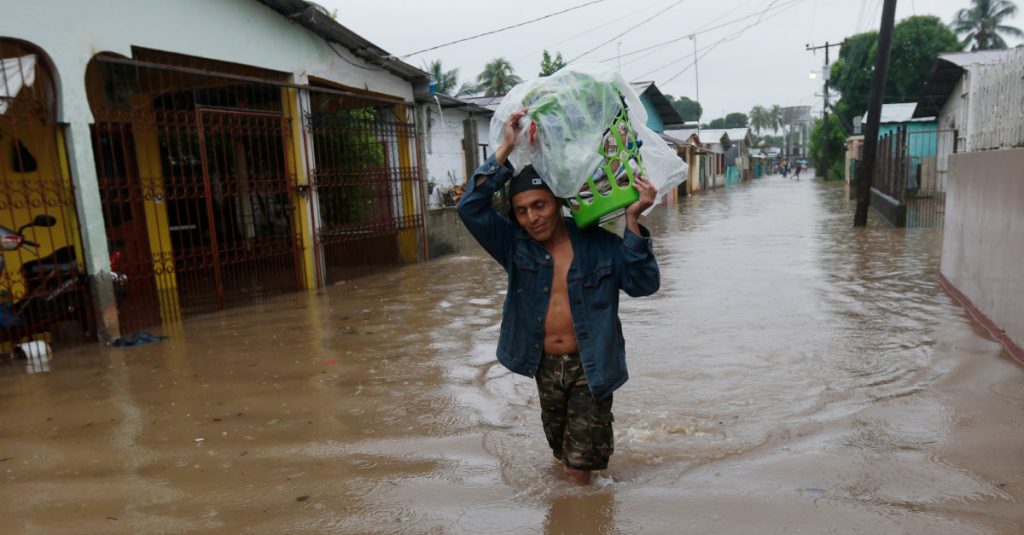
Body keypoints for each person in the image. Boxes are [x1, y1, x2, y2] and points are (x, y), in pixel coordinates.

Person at [457, 108, 660, 484]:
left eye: (539, 205)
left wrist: (633, 223)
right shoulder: (515, 246)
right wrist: (505, 147)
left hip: (591, 364)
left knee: (576, 468)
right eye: (521, 211)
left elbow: (643, 285)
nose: (532, 217)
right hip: (544, 367)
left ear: (557, 204)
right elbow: (470, 207)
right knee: (561, 452)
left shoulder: (601, 244)